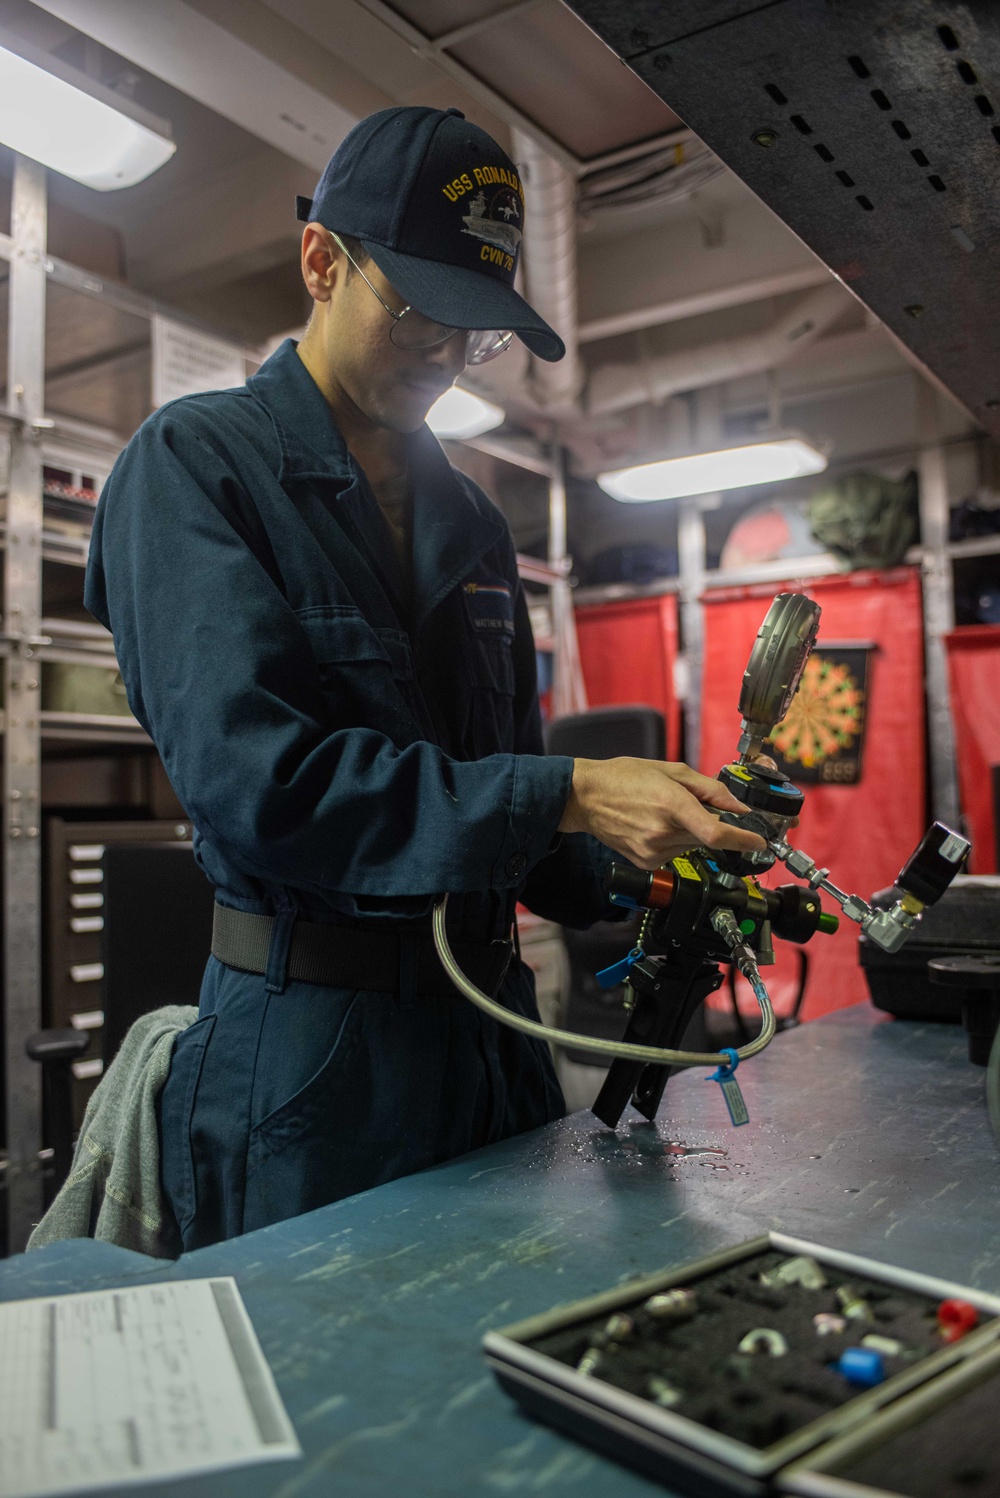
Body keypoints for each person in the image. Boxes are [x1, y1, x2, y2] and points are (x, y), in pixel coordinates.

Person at [84, 106, 764, 1251]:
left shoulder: (471, 522)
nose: (447, 358)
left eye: (477, 333)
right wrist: (570, 792)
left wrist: (656, 868)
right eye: (421, 316)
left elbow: (531, 843)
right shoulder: (196, 467)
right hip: (316, 1057)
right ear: (321, 262)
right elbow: (269, 786)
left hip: (494, 1040)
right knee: (335, 1400)